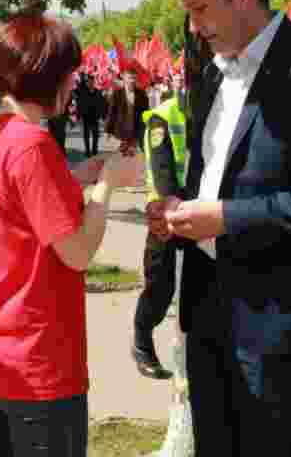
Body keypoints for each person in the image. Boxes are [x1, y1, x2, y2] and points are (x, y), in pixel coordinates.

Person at [149, 0, 291, 456]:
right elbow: (212, 178)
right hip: (206, 307)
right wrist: (178, 211)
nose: (193, 27)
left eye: (200, 10)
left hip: (275, 320)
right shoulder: (213, 73)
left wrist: (226, 218)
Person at [0, 11, 143, 457]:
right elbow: (77, 252)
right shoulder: (32, 146)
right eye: (70, 72)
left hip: (0, 349)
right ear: (51, 78)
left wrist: (79, 173)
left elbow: (16, 202)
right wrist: (106, 185)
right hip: (40, 357)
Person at [131, 71, 188, 380]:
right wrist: (176, 208)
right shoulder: (162, 118)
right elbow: (163, 169)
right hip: (165, 216)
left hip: (202, 214)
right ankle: (142, 343)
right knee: (160, 288)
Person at [104, 67, 149, 155]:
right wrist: (107, 130)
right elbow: (111, 113)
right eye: (130, 78)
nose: (132, 81)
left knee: (133, 160)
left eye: (134, 78)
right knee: (121, 159)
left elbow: (145, 113)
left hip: (136, 133)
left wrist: (146, 129)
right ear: (124, 78)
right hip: (120, 132)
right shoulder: (117, 94)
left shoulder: (142, 94)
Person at [72, 72, 106, 157]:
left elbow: (102, 104)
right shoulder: (83, 92)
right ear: (87, 83)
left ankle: (94, 151)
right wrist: (78, 116)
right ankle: (87, 151)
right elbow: (79, 103)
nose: (90, 83)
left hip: (95, 117)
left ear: (94, 82)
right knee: (86, 135)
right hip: (86, 117)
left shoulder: (98, 92)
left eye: (92, 82)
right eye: (88, 82)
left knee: (95, 135)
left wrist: (103, 116)